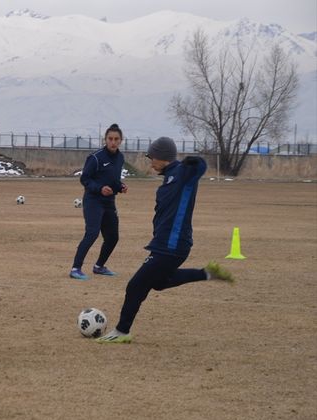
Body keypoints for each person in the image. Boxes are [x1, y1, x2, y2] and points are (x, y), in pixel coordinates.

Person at [97, 137, 234, 343]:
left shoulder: (182, 173)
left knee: (135, 286)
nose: (150, 161)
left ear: (162, 157)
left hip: (172, 245)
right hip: (166, 243)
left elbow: (200, 166)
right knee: (159, 283)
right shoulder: (169, 177)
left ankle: (122, 331)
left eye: (152, 157)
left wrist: (192, 161)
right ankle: (207, 273)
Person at [70, 123, 128, 280]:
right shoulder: (95, 158)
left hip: (109, 202)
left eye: (116, 139)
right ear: (105, 139)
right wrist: (99, 188)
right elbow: (85, 179)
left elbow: (114, 180)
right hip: (93, 200)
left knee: (113, 237)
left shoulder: (120, 158)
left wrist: (120, 186)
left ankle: (99, 266)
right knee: (92, 233)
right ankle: (75, 268)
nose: (113, 142)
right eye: (110, 138)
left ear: (121, 140)